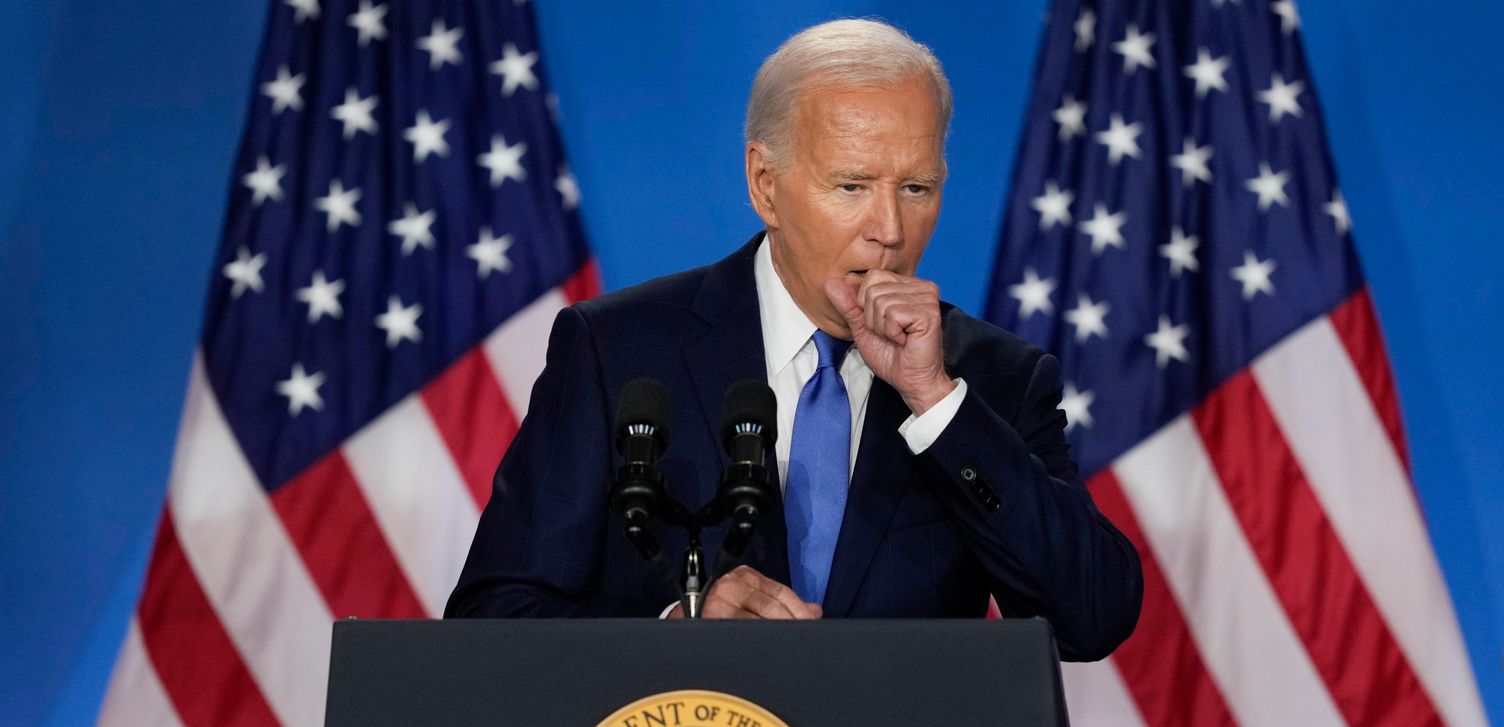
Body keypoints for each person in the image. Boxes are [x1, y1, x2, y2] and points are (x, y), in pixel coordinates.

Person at [445, 19, 1141, 662]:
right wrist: (673, 630)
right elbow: (491, 619)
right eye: (851, 185)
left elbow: (1091, 619)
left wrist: (934, 401)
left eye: (918, 188)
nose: (891, 229)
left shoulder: (991, 381)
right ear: (765, 185)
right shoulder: (616, 352)